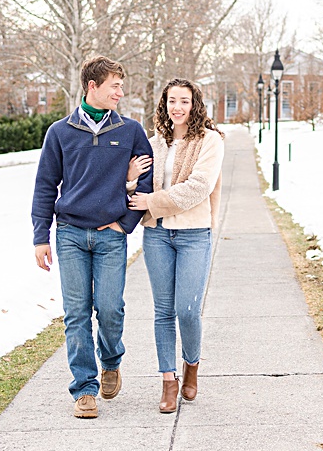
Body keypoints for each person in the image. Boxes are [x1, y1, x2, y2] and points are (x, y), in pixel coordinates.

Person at [31, 56, 154, 419]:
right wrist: (41, 238)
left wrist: (124, 224)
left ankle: (111, 361)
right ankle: (84, 389)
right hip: (69, 235)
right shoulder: (60, 132)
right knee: (76, 313)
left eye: (121, 85)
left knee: (110, 308)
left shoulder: (130, 130)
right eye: (114, 85)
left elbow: (145, 182)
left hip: (110, 237)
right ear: (92, 87)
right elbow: (44, 187)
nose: (120, 91)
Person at [127, 77, 224, 414]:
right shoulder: (154, 143)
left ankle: (191, 365)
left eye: (184, 101)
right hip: (156, 235)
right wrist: (129, 181)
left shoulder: (210, 141)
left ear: (194, 104)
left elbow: (198, 187)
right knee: (163, 311)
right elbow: (134, 189)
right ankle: (168, 380)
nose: (177, 107)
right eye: (171, 101)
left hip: (194, 233)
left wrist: (152, 200)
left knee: (187, 309)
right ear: (164, 105)